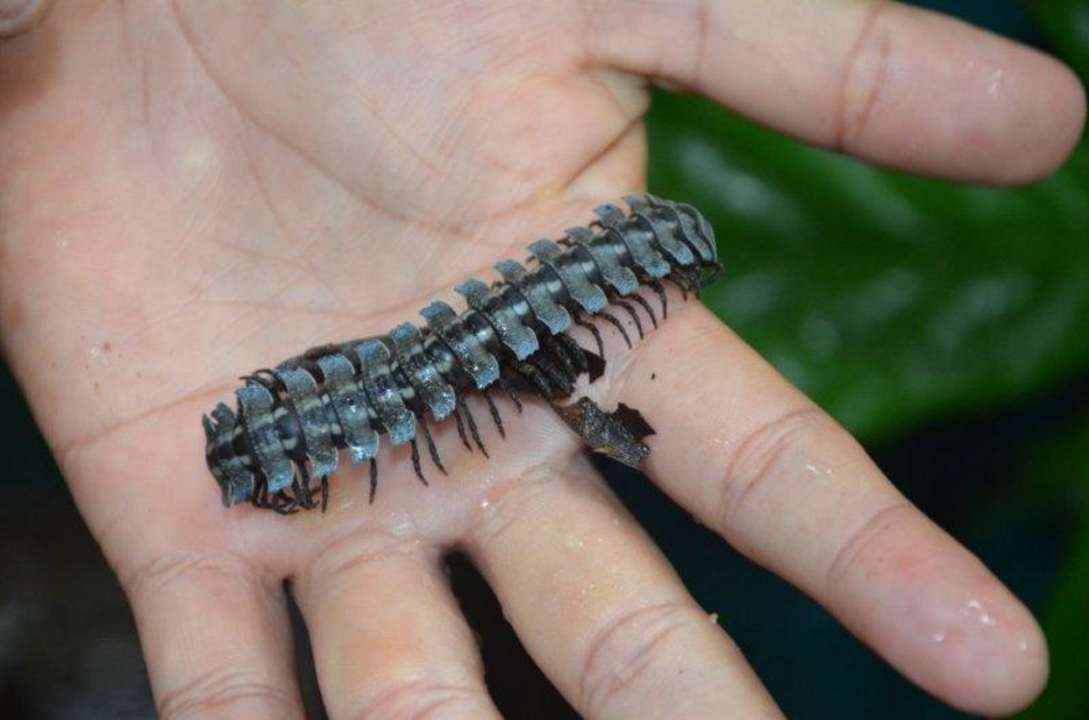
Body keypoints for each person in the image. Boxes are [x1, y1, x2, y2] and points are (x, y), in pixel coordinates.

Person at [1, 1, 1085, 718]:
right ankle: (271, 448)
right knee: (421, 396)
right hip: (359, 392)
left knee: (429, 392)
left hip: (373, 389)